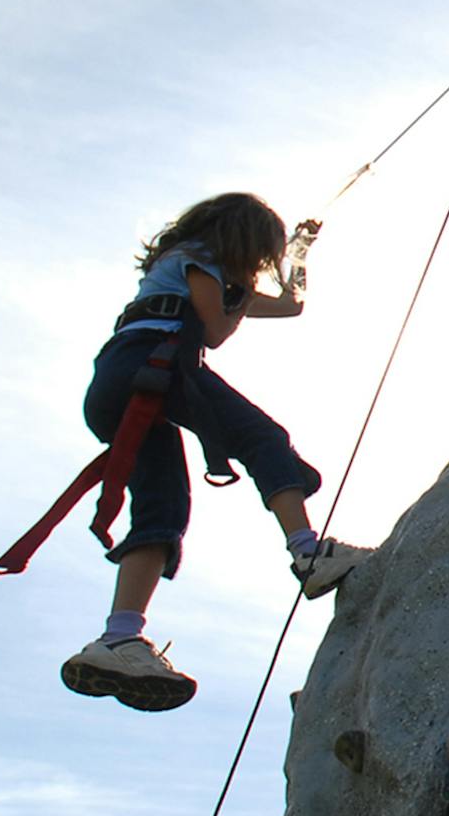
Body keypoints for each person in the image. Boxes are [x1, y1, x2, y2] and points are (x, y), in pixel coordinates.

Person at [58, 192, 373, 712]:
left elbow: (291, 306)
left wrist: (298, 256)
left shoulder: (190, 264)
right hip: (153, 362)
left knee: (162, 509)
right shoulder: (195, 259)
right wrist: (246, 292)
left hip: (125, 379)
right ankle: (307, 550)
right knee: (262, 439)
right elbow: (215, 331)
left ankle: (118, 638)